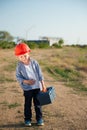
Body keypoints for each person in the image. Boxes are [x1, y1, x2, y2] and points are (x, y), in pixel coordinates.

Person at [14, 42, 47, 126]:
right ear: (18, 57)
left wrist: (43, 85)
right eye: (21, 56)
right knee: (27, 104)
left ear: (28, 53)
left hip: (37, 87)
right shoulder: (19, 66)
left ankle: (39, 119)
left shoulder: (34, 63)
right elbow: (18, 77)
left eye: (25, 55)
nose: (23, 58)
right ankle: (27, 119)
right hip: (27, 88)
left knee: (38, 104)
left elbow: (40, 75)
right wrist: (26, 81)